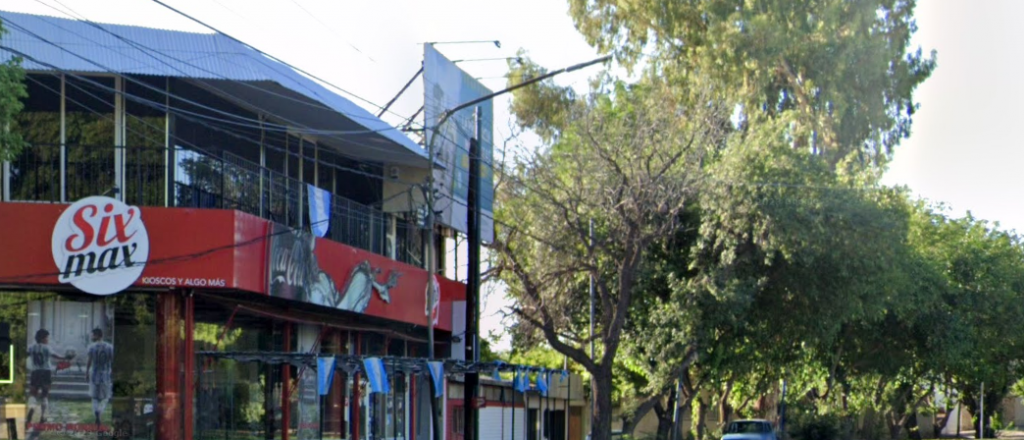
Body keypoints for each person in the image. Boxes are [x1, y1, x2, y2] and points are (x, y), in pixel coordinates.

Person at [26, 329, 68, 431]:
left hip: (35, 372)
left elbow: (26, 354)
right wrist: (65, 357)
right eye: (46, 337)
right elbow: (56, 356)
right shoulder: (47, 348)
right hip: (45, 372)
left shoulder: (31, 347)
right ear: (42, 338)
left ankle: (31, 411)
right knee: (44, 395)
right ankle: (42, 416)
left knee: (33, 394)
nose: (47, 339)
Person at [86, 328, 114, 430]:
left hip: (94, 373)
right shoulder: (110, 347)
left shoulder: (91, 347)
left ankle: (96, 412)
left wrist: (86, 373)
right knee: (106, 397)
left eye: (92, 335)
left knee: (94, 397)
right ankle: (100, 410)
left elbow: (89, 361)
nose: (91, 337)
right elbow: (112, 361)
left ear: (97, 335)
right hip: (106, 374)